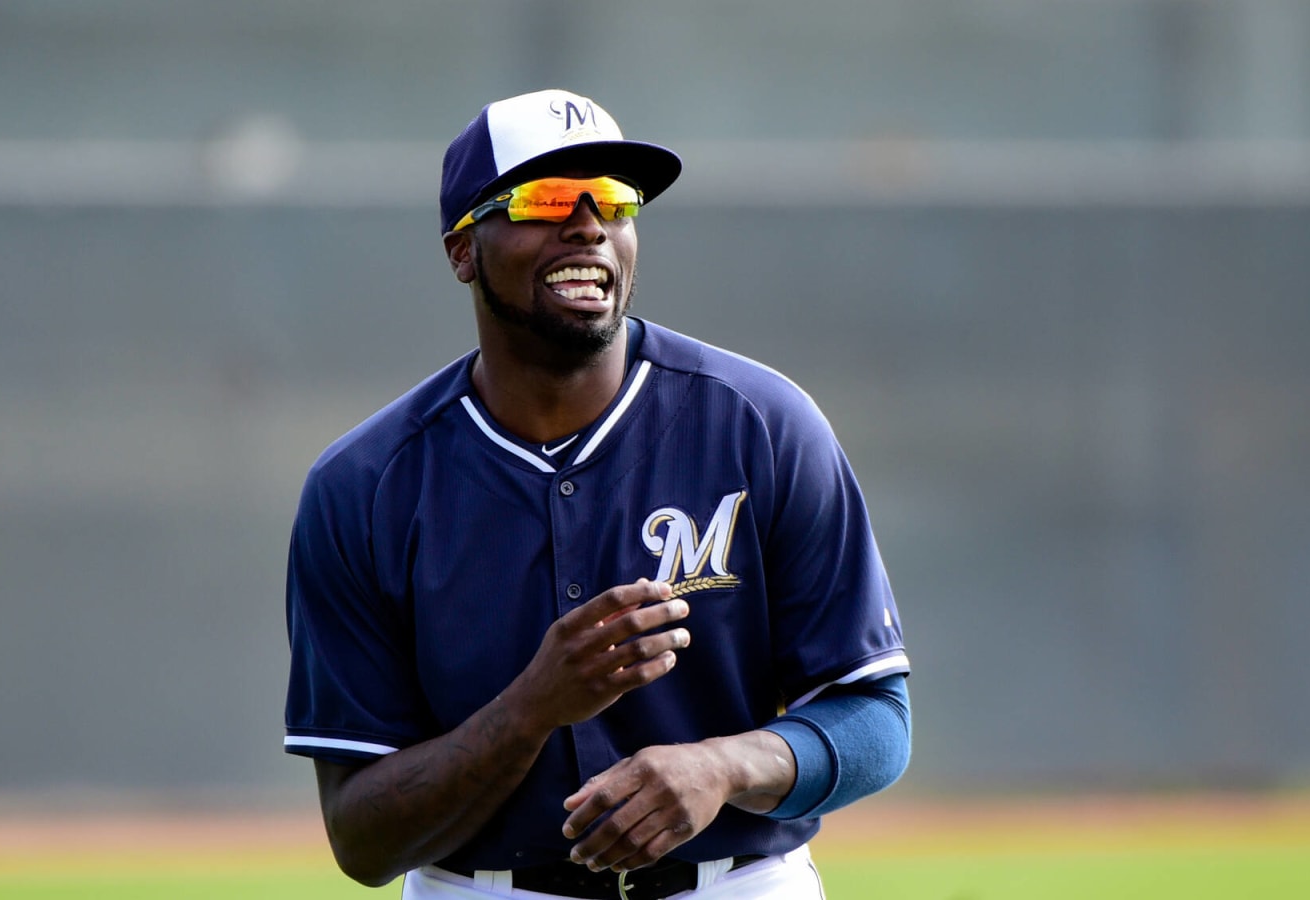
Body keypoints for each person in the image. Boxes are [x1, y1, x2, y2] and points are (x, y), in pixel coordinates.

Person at [283, 89, 912, 900]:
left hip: (738, 884)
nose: (588, 225)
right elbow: (362, 840)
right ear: (463, 250)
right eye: (545, 199)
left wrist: (721, 765)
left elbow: (876, 718)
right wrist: (532, 708)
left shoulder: (762, 424)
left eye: (614, 201)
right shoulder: (364, 487)